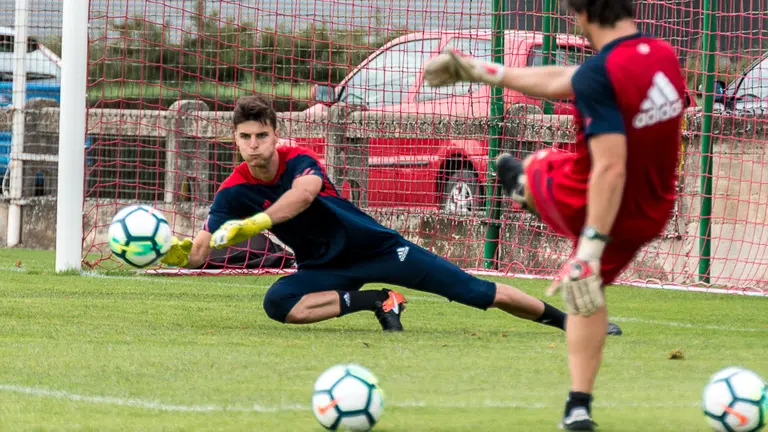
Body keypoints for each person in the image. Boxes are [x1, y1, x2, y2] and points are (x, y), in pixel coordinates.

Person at [159, 95, 623, 338]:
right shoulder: (235, 188)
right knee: (278, 305)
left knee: (472, 291)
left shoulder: (299, 159)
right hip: (325, 268)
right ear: (235, 139)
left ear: (276, 134)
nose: (255, 144)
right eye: (246, 136)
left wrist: (258, 224)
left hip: (380, 249)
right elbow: (201, 252)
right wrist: (179, 252)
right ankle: (378, 302)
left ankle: (573, 323)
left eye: (262, 135)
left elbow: (303, 196)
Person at [423, 0, 685, 429]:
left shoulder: (600, 73)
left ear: (581, 14)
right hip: (651, 211)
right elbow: (571, 80)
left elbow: (610, 167)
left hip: (590, 198)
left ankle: (525, 189)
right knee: (587, 294)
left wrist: (589, 249)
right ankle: (577, 406)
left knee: (542, 163)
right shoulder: (663, 55)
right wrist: (482, 70)